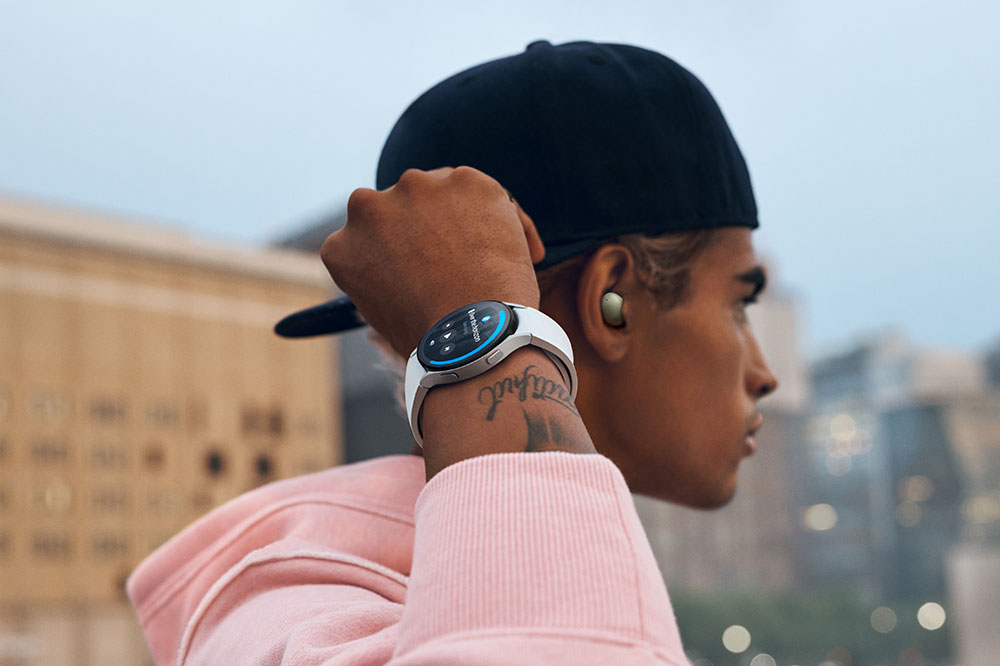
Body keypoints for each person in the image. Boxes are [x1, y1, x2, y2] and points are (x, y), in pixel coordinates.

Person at [128, 40, 778, 665]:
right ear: (613, 298)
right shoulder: (291, 599)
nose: (764, 373)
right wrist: (484, 329)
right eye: (739, 305)